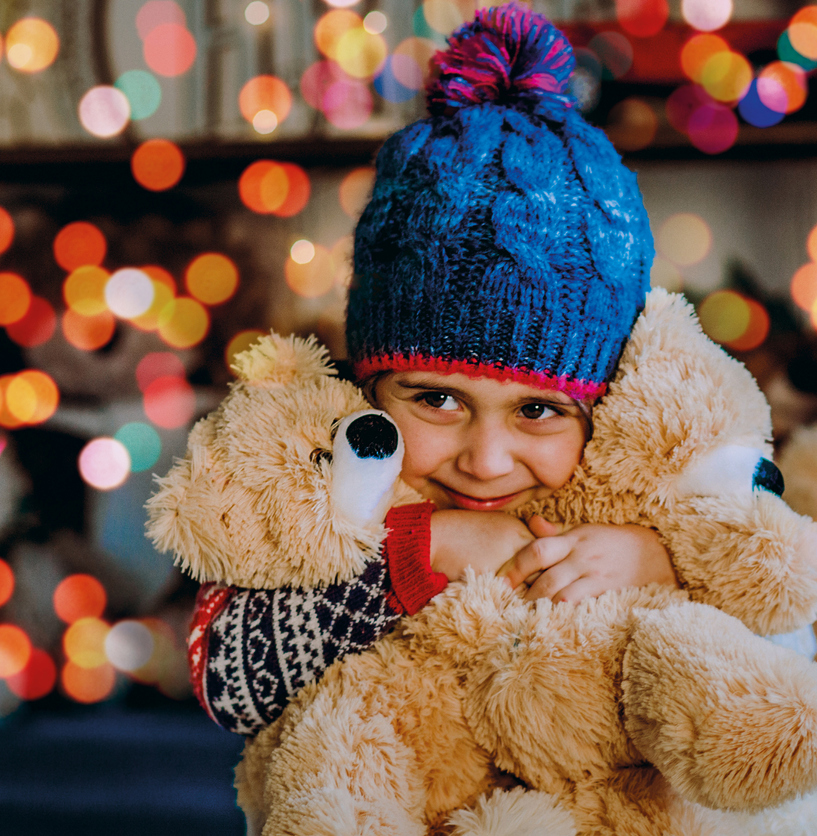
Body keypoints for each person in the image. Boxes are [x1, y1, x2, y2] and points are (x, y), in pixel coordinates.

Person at [185, 4, 678, 736]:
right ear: (369, 386)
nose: (485, 461)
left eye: (537, 410)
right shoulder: (316, 491)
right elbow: (229, 683)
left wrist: (659, 565)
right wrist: (423, 548)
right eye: (438, 399)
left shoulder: (648, 492)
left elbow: (766, 647)